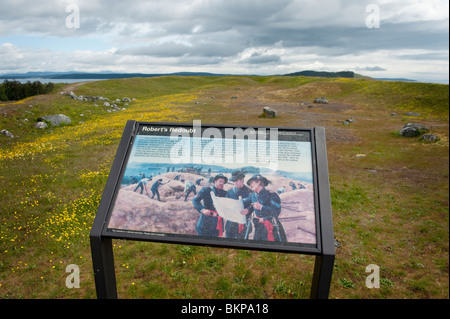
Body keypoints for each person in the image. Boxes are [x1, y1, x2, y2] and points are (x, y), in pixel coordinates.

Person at [241, 174, 287, 242]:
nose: (250, 185)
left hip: (271, 227)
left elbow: (276, 211)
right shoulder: (252, 195)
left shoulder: (271, 194)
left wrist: (261, 207)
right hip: (258, 227)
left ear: (258, 182)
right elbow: (251, 206)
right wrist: (248, 210)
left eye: (252, 183)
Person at [225, 170, 252, 239]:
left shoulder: (249, 192)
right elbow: (226, 203)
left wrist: (248, 210)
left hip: (243, 222)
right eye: (234, 181)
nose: (235, 183)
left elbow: (252, 206)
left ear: (242, 180)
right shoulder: (230, 191)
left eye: (237, 181)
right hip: (231, 223)